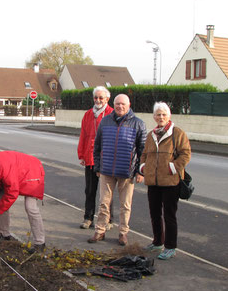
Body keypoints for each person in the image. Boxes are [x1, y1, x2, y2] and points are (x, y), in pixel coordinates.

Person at [89, 94, 146, 246]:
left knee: (125, 205)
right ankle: (100, 231)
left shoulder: (138, 124)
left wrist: (140, 171)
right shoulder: (105, 121)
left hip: (127, 172)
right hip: (106, 171)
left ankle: (123, 233)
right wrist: (98, 167)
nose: (120, 106)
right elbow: (97, 147)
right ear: (113, 104)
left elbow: (142, 151)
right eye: (117, 104)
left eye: (123, 104)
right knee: (103, 203)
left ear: (129, 105)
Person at [140, 102, 191, 260]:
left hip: (170, 181)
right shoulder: (151, 135)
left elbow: (186, 154)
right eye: (158, 114)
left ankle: (170, 246)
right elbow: (144, 154)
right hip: (153, 182)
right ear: (154, 117)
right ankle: (157, 242)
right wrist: (143, 167)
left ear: (169, 116)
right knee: (154, 213)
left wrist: (173, 167)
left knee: (169, 215)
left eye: (163, 114)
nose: (160, 117)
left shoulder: (177, 133)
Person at [77, 86, 114, 230]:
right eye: (96, 97)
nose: (98, 100)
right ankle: (88, 218)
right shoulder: (87, 114)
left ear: (107, 99)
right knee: (90, 190)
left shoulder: (111, 114)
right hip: (90, 158)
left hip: (106, 160)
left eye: (101, 98)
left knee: (106, 193)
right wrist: (81, 155)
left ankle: (108, 220)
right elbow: (83, 136)